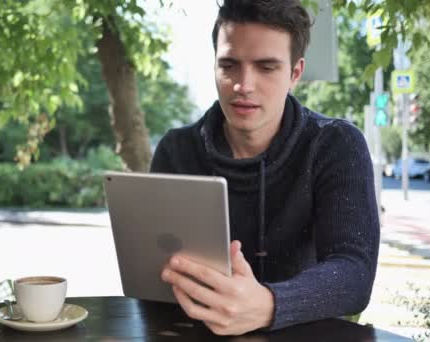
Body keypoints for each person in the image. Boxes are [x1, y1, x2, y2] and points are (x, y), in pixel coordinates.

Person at [152, 0, 380, 335]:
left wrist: (269, 304)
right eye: (229, 65)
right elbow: (152, 268)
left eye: (266, 67)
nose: (243, 85)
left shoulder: (335, 144)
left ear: (295, 73)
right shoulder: (177, 150)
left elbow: (354, 273)